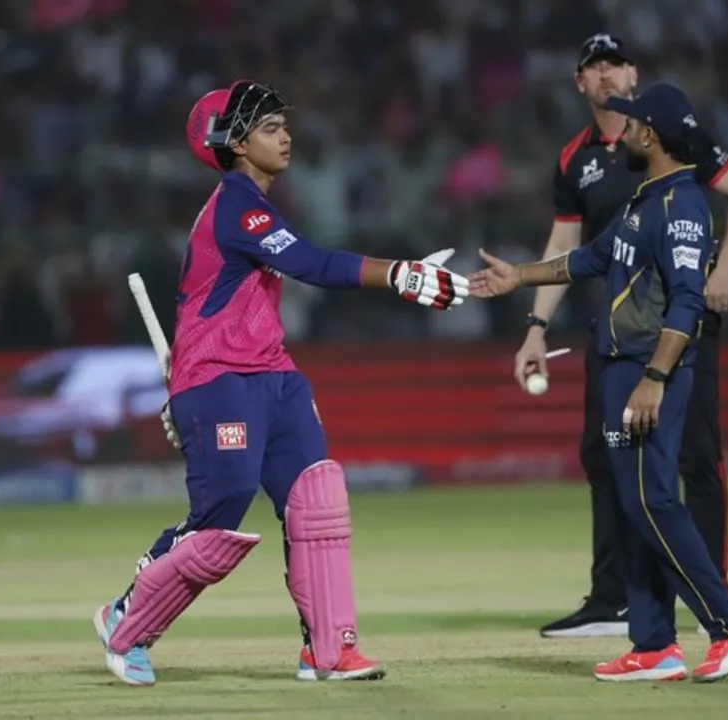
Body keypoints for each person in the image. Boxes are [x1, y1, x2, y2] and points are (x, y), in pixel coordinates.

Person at [92, 80, 470, 686]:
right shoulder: (236, 206)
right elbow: (310, 263)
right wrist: (399, 273)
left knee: (316, 501)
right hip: (218, 377)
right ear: (238, 145)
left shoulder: (255, 204)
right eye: (270, 129)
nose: (286, 136)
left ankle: (329, 651)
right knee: (220, 517)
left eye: (283, 125)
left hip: (272, 373)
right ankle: (127, 623)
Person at [471, 83, 728, 683]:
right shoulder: (644, 200)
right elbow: (588, 258)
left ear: (651, 135)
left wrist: (655, 376)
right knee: (634, 505)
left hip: (644, 366)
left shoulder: (682, 205)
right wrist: (519, 277)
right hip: (618, 365)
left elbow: (687, 300)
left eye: (632, 124)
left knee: (653, 501)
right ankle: (654, 644)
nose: (623, 131)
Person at [521, 33, 728, 639]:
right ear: (580, 82)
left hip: (675, 330)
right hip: (617, 335)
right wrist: (534, 324)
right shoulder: (577, 158)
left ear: (633, 76)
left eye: (616, 63)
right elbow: (574, 249)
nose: (606, 74)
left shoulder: (673, 140)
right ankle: (621, 603)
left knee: (694, 459)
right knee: (609, 463)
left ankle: (712, 594)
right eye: (594, 66)